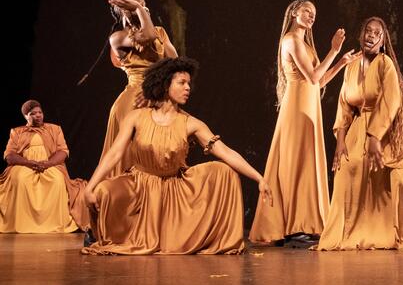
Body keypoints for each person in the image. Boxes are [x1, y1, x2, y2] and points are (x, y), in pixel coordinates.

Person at [82, 57, 272, 255]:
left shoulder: (191, 123)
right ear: (165, 85)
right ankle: (103, 234)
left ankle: (184, 233)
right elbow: (114, 154)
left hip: (173, 190)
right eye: (182, 83)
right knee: (104, 190)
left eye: (189, 83)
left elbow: (225, 151)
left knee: (223, 171)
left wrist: (259, 178)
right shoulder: (137, 117)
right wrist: (90, 187)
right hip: (139, 186)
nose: (188, 88)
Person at [317, 17, 403, 250]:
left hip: (388, 131)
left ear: (383, 41)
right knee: (346, 168)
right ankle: (354, 232)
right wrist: (340, 142)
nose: (371, 36)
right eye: (368, 32)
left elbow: (390, 101)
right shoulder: (352, 65)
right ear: (362, 36)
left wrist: (375, 137)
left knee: (401, 179)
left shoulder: (385, 64)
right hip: (358, 129)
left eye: (376, 33)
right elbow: (344, 105)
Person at [249, 0, 357, 246]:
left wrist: (341, 63)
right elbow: (311, 76)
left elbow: (318, 83)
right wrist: (334, 51)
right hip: (297, 107)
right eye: (307, 11)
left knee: (306, 162)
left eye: (314, 13)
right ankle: (292, 225)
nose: (311, 16)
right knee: (294, 162)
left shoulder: (305, 44)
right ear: (294, 12)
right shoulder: (290, 40)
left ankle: (305, 222)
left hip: (309, 106)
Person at [84, 0, 178, 178]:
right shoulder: (118, 38)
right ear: (124, 11)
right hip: (134, 99)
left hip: (156, 95)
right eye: (136, 6)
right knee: (132, 158)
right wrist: (138, 9)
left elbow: (174, 62)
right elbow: (147, 36)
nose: (143, 8)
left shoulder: (160, 32)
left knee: (160, 155)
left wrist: (158, 88)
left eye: (143, 5)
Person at [1, 100, 88, 233]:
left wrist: (47, 163)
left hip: (50, 164)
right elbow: (9, 156)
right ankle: (22, 223)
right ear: (26, 116)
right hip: (24, 164)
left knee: (57, 180)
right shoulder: (17, 132)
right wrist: (29, 163)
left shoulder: (55, 129)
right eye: (33, 113)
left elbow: (63, 151)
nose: (38, 116)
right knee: (20, 179)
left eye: (40, 112)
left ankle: (54, 223)